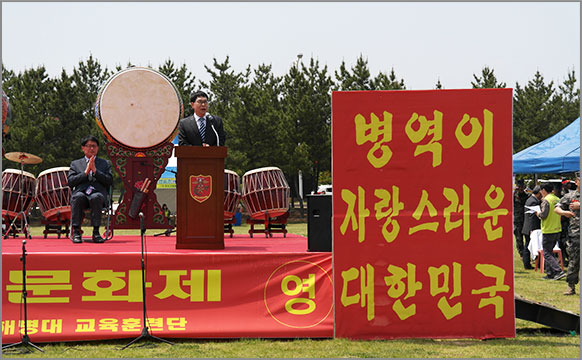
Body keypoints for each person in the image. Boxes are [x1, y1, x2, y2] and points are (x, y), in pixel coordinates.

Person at [68, 135, 113, 244]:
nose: (92, 149)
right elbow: (71, 181)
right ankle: (77, 232)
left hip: (98, 194)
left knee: (95, 197)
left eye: (94, 146)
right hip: (81, 193)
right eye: (89, 146)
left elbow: (109, 181)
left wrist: (96, 171)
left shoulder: (105, 163)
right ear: (83, 148)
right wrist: (85, 172)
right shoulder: (75, 164)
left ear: (97, 148)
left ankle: (96, 232)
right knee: (78, 197)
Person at [554, 172, 580, 295]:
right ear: (577, 182)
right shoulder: (570, 196)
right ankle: (571, 286)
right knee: (573, 260)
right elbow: (556, 207)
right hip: (575, 234)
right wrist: (564, 213)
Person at [536, 182, 566, 280]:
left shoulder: (546, 200)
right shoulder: (557, 198)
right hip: (557, 228)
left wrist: (538, 213)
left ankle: (558, 271)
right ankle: (550, 273)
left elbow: (543, 215)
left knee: (546, 253)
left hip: (548, 229)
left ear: (543, 190)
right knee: (550, 251)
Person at [521, 185, 542, 269]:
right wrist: (533, 229)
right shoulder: (533, 201)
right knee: (529, 246)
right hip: (531, 227)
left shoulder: (530, 200)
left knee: (528, 245)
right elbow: (532, 217)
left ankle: (528, 263)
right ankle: (527, 264)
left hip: (528, 227)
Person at [513, 179, 528, 259]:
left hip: (525, 219)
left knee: (527, 237)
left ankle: (526, 254)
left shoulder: (526, 196)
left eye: (522, 187)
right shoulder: (513, 196)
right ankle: (521, 254)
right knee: (519, 238)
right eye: (519, 187)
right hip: (517, 220)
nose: (521, 189)